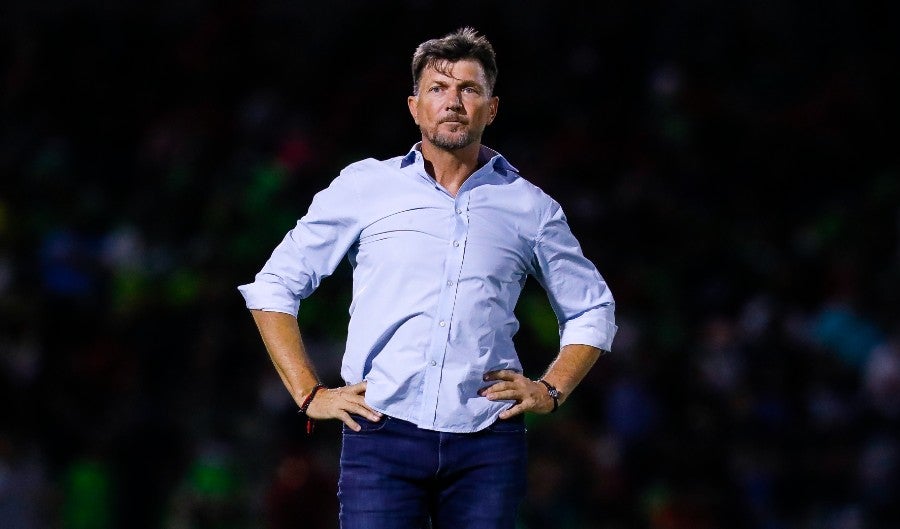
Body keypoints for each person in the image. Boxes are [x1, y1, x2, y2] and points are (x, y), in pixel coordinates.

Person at [238, 27, 617, 529]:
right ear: (415, 107)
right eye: (438, 89)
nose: (453, 101)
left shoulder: (531, 208)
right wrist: (309, 393)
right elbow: (273, 286)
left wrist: (551, 389)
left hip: (488, 441)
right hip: (380, 434)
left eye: (469, 88)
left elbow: (592, 308)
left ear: (492, 107)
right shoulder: (365, 187)